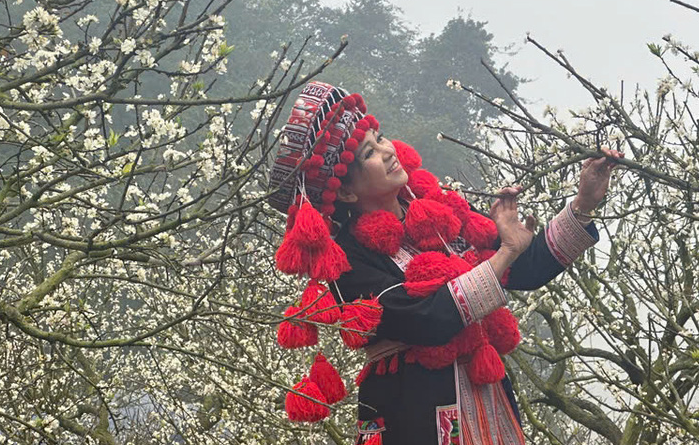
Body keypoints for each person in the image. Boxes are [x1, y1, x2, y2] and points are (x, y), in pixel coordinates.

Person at [266, 82, 621, 445]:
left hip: (488, 402)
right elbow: (425, 319)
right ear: (345, 192)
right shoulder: (348, 259)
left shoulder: (439, 216)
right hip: (411, 412)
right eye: (370, 152)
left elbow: (527, 268)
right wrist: (505, 253)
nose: (388, 151)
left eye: (381, 137)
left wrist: (583, 204)